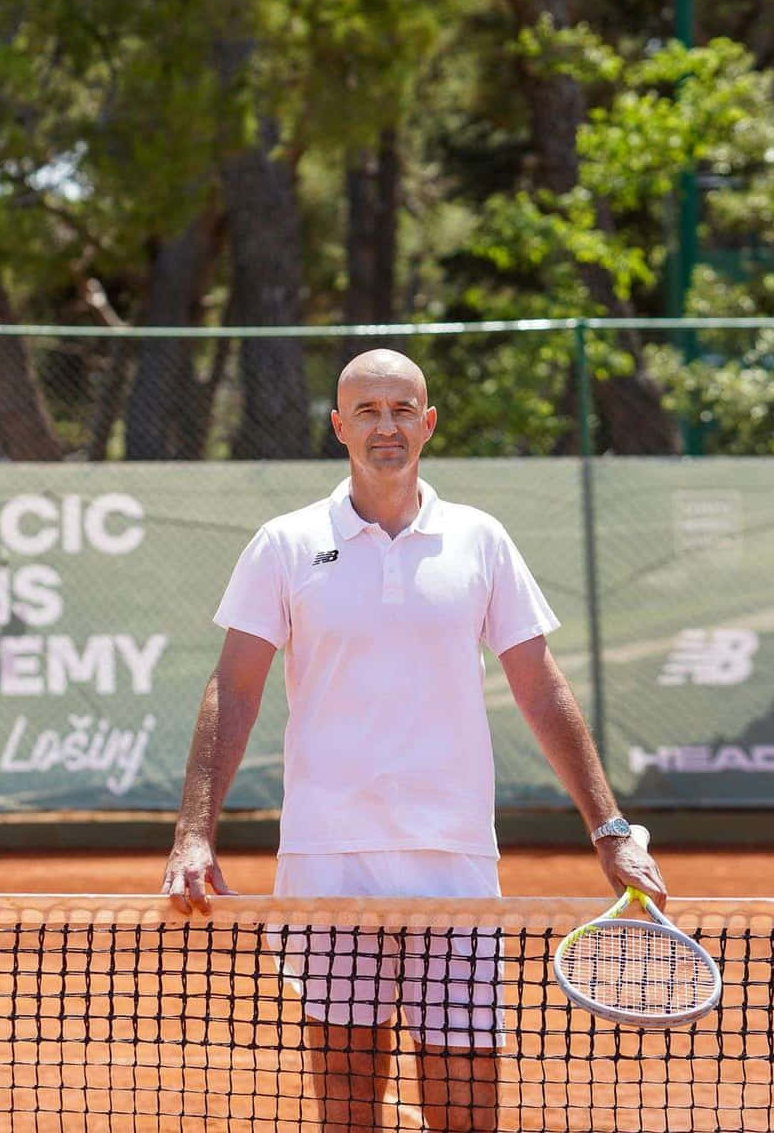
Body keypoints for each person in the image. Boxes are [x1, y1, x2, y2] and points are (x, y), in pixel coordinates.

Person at [161, 348, 667, 1133]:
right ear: (339, 426)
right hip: (328, 859)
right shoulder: (285, 544)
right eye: (367, 410)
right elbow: (235, 688)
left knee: (466, 1100)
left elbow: (540, 686)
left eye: (402, 409)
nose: (385, 426)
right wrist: (194, 835)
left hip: (455, 858)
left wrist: (609, 830)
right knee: (349, 1098)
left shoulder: (480, 540)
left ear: (428, 423)